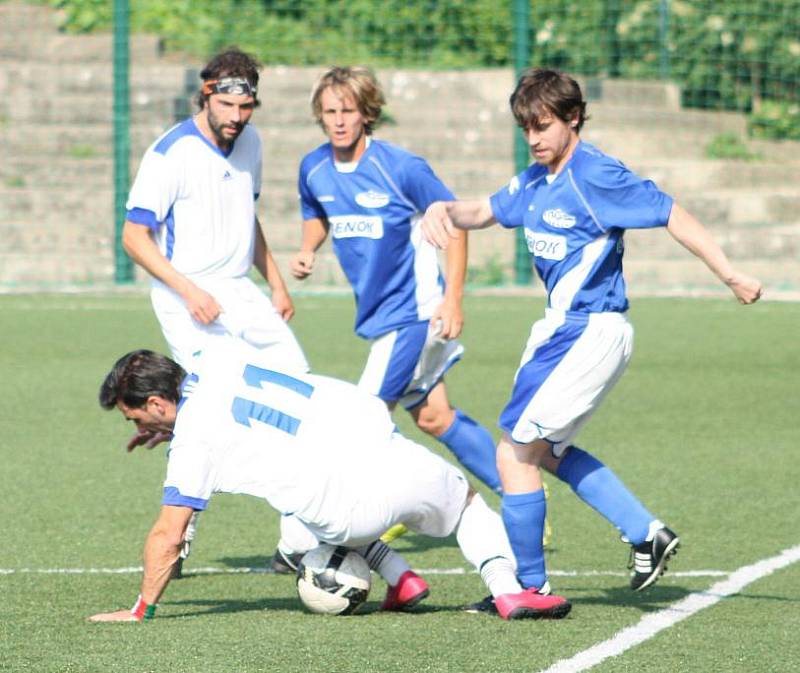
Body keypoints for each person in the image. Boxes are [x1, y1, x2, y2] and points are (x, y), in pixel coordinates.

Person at [421, 68, 763, 619]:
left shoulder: (596, 175)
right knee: (545, 454)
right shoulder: (536, 179)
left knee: (513, 454)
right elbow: (482, 211)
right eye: (526, 127)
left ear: (573, 118)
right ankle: (644, 532)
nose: (533, 138)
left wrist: (730, 274)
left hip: (588, 330)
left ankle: (529, 588)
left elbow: (672, 212)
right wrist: (443, 209)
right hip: (563, 331)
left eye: (543, 125)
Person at [88, 343, 570, 622]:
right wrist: (170, 428)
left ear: (156, 403)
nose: (140, 429)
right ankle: (506, 589)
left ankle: (400, 575)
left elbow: (170, 533)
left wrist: (141, 609)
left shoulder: (193, 440)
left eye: (136, 418)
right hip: (387, 446)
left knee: (296, 534)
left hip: (345, 513)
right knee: (465, 505)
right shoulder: (219, 361)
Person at [121, 47, 309, 573]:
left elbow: (247, 219)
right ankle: (179, 536)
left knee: (300, 390)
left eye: (246, 108)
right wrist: (188, 290)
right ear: (207, 94)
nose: (237, 118)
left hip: (239, 292)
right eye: (228, 107)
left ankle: (298, 542)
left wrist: (275, 284)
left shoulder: (251, 143)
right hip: (188, 298)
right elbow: (134, 237)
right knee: (210, 407)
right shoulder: (170, 153)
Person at [289, 66, 501, 500]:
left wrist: (453, 300)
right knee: (434, 417)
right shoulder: (313, 168)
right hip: (382, 318)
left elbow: (455, 224)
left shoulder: (401, 168)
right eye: (329, 111)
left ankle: (326, 535)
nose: (339, 120)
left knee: (362, 421)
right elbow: (316, 214)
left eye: (348, 110)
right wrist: (309, 247)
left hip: (417, 315)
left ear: (367, 113)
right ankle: (516, 490)